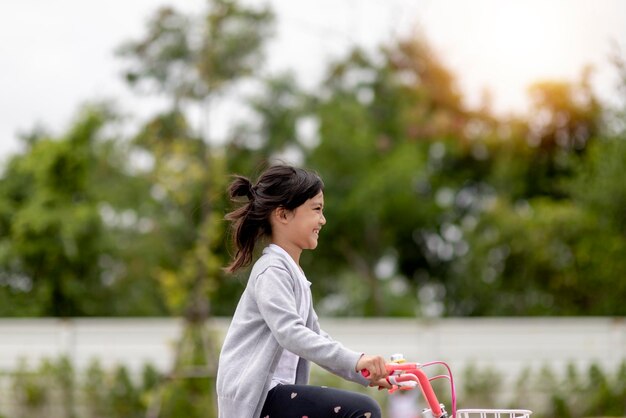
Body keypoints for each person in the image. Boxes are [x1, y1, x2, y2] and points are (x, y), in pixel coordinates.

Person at [216, 164, 390, 418]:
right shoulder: (272, 270)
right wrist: (356, 360)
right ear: (283, 215)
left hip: (278, 394)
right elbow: (291, 334)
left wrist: (363, 371)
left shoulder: (293, 273)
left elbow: (315, 336)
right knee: (364, 410)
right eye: (316, 209)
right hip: (259, 399)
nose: (323, 219)